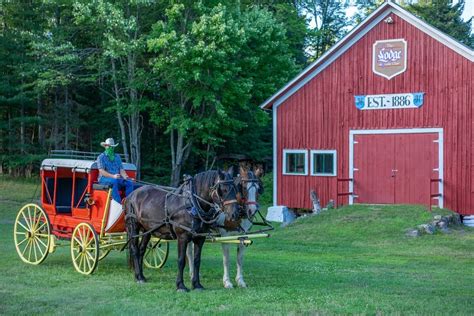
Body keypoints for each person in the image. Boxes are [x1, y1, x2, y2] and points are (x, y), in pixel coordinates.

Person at [97, 138, 134, 203]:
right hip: (104, 179)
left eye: (112, 147)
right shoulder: (101, 157)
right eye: (109, 146)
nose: (111, 148)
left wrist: (126, 177)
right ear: (105, 146)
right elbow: (102, 171)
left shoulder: (117, 157)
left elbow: (121, 169)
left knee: (129, 182)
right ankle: (118, 203)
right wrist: (113, 176)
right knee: (114, 182)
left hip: (116, 178)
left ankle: (129, 202)